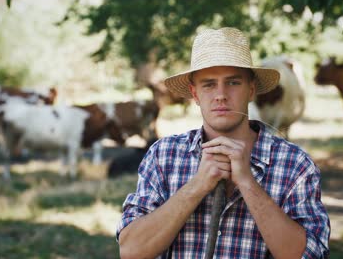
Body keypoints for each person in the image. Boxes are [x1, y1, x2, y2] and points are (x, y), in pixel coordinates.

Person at [116, 27, 330, 258]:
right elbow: (131, 251)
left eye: (233, 82)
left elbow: (311, 255)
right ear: (195, 94)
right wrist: (197, 186)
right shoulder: (164, 155)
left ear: (251, 90)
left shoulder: (295, 164)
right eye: (208, 84)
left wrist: (247, 182)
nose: (221, 94)